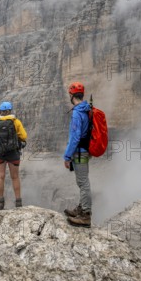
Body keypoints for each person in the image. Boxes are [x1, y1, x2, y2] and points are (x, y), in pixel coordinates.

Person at [63, 82, 93, 227]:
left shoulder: (77, 112)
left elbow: (74, 137)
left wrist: (67, 156)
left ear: (71, 95)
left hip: (79, 153)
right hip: (85, 150)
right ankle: (81, 209)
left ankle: (86, 215)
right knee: (82, 181)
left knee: (83, 183)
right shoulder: (86, 108)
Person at [0, 101, 27, 210]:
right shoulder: (16, 122)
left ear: (0, 111)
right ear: (10, 110)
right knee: (15, 177)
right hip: (13, 152)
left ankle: (0, 203)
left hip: (0, 153)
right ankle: (18, 202)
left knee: (0, 176)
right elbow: (24, 136)